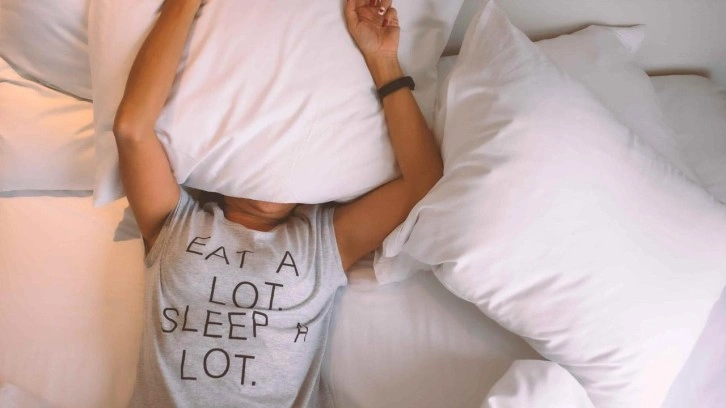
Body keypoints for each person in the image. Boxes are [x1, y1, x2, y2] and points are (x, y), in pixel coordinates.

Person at [113, 0, 443, 406]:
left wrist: (383, 62)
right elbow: (131, 130)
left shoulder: (322, 245)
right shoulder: (174, 223)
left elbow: (422, 183)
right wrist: (183, 6)